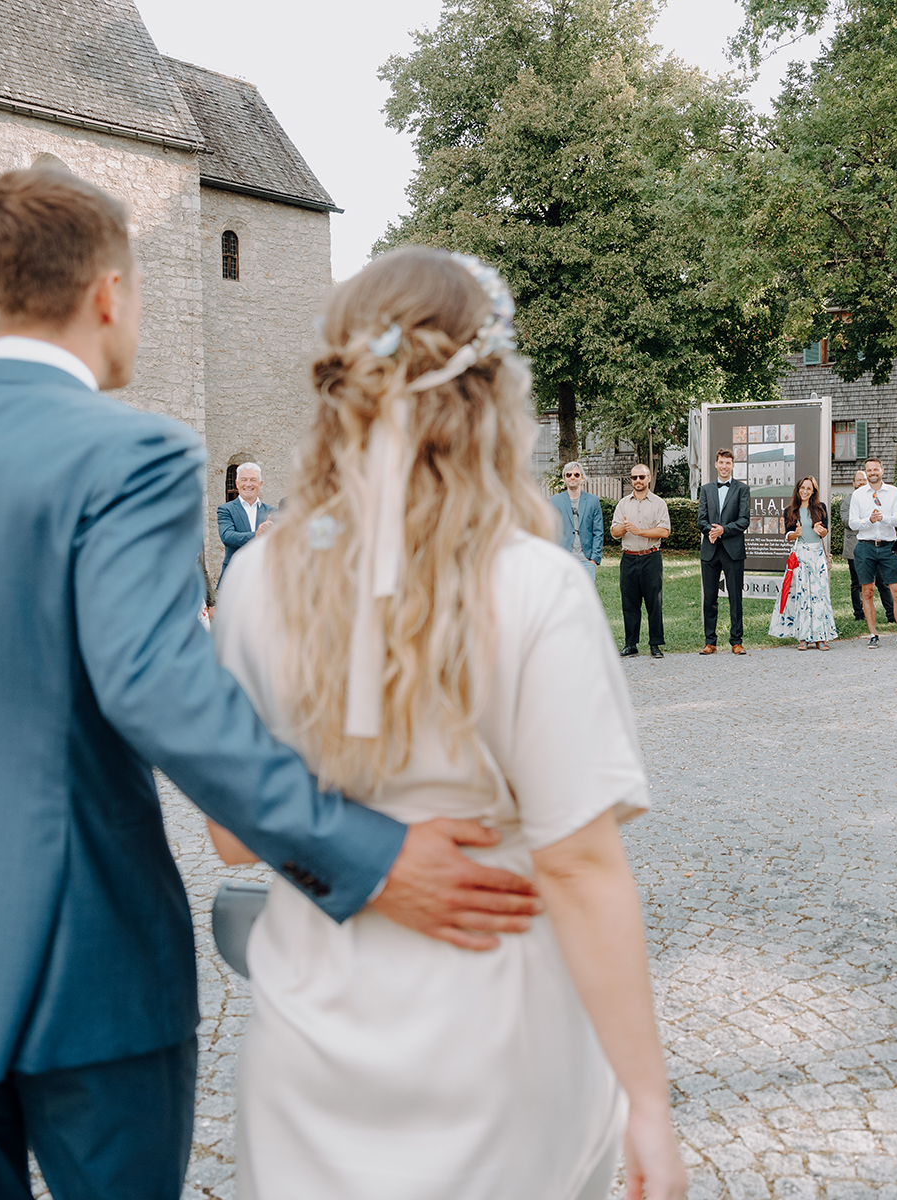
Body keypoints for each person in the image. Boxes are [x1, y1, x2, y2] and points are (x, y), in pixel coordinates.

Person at [0, 171, 541, 1200]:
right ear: (109, 293)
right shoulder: (131, 452)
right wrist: (366, 854)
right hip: (85, 955)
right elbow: (162, 692)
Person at [210, 246, 685, 1199]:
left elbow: (230, 837)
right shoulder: (533, 585)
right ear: (487, 397)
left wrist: (367, 846)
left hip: (310, 1059)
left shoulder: (259, 576)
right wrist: (648, 1099)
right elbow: (580, 865)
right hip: (499, 1051)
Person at [848, 456, 897, 648]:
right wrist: (870, 520)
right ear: (865, 472)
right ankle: (873, 634)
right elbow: (852, 523)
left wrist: (882, 518)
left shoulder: (893, 492)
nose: (872, 473)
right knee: (867, 591)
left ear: (882, 470)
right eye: (869, 470)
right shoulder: (858, 495)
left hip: (888, 547)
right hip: (865, 546)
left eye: (876, 469)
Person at [611, 462, 671, 659]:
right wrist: (625, 528)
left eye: (641, 477)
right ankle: (631, 644)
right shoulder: (623, 504)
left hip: (650, 557)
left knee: (654, 602)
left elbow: (664, 531)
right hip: (628, 558)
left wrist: (639, 531)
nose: (637, 481)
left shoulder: (659, 503)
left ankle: (655, 644)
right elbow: (614, 532)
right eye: (634, 477)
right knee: (629, 603)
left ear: (649, 478)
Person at [770, 476, 837, 649]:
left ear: (813, 491)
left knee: (819, 594)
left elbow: (824, 533)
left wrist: (820, 530)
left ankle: (821, 637)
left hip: (817, 556)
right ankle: (803, 638)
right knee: (801, 595)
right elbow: (788, 536)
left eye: (809, 488)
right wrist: (796, 533)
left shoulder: (821, 508)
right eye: (802, 488)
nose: (805, 491)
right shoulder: (790, 510)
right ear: (798, 489)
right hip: (800, 556)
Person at [697, 449, 751, 654]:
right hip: (710, 550)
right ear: (715, 464)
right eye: (721, 462)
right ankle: (710, 642)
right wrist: (711, 531)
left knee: (735, 597)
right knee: (709, 598)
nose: (725, 466)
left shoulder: (742, 489)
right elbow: (701, 519)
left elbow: (744, 520)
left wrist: (723, 530)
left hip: (733, 551)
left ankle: (736, 641)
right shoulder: (706, 489)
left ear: (733, 465)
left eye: (728, 463)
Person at [842, 467, 894, 624]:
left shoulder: (876, 498)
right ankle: (859, 614)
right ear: (854, 483)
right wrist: (866, 520)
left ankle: (891, 615)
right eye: (859, 480)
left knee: (882, 581)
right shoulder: (847, 501)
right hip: (855, 548)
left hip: (876, 547)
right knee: (857, 583)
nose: (862, 482)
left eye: (864, 479)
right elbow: (846, 521)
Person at [219, 461, 275, 585]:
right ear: (237, 483)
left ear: (260, 484)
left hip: (264, 578)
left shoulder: (272, 512)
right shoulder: (226, 509)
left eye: (253, 480)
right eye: (244, 480)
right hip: (234, 578)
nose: (248, 484)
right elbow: (227, 537)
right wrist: (256, 535)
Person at [551, 460, 603, 579]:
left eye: (576, 474)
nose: (572, 477)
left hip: (586, 560)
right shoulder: (555, 501)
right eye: (568, 475)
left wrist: (594, 559)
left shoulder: (593, 501)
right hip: (563, 559)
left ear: (582, 478)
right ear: (564, 478)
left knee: (586, 597)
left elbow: (598, 532)